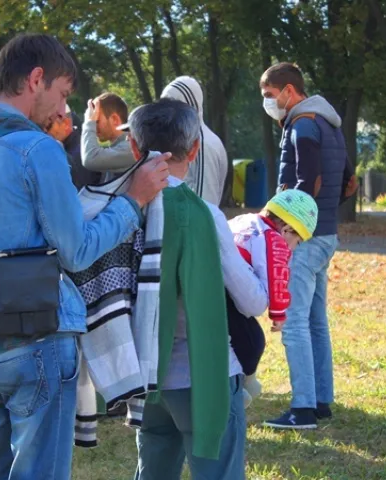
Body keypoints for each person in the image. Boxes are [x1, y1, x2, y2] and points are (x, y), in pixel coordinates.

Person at [0, 33, 169, 480]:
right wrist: (133, 201)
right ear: (36, 79)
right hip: (36, 331)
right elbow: (78, 250)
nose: (60, 108)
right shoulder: (37, 149)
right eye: (61, 93)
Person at [121, 98, 266, 480]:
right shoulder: (204, 214)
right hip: (204, 376)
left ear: (134, 148)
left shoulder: (118, 210)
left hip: (146, 375)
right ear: (196, 150)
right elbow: (252, 301)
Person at [259, 62, 356, 429]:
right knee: (316, 320)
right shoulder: (330, 124)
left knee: (295, 321)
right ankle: (320, 400)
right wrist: (327, 215)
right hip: (327, 235)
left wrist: (291, 228)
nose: (269, 103)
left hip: (306, 237)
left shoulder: (302, 125)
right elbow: (350, 182)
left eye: (270, 95)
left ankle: (301, 410)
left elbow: (308, 179)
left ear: (288, 90)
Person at [226, 189, 319, 407]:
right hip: (230, 297)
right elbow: (277, 277)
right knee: (253, 342)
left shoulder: (243, 220)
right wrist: (278, 314)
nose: (294, 247)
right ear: (287, 229)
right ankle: (240, 388)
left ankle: (239, 385)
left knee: (232, 341)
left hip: (215, 289)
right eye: (298, 240)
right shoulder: (274, 241)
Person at [160, 76, 228, 206]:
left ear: (188, 105)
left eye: (172, 104)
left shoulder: (202, 144)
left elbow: (205, 203)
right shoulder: (190, 139)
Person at [81, 92, 134, 181]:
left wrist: (89, 122)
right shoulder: (121, 146)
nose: (94, 126)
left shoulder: (131, 147)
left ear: (114, 119)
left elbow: (90, 159)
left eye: (96, 120)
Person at [46, 104, 100, 189]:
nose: (43, 131)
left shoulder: (79, 155)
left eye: (48, 126)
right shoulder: (73, 148)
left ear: (66, 124)